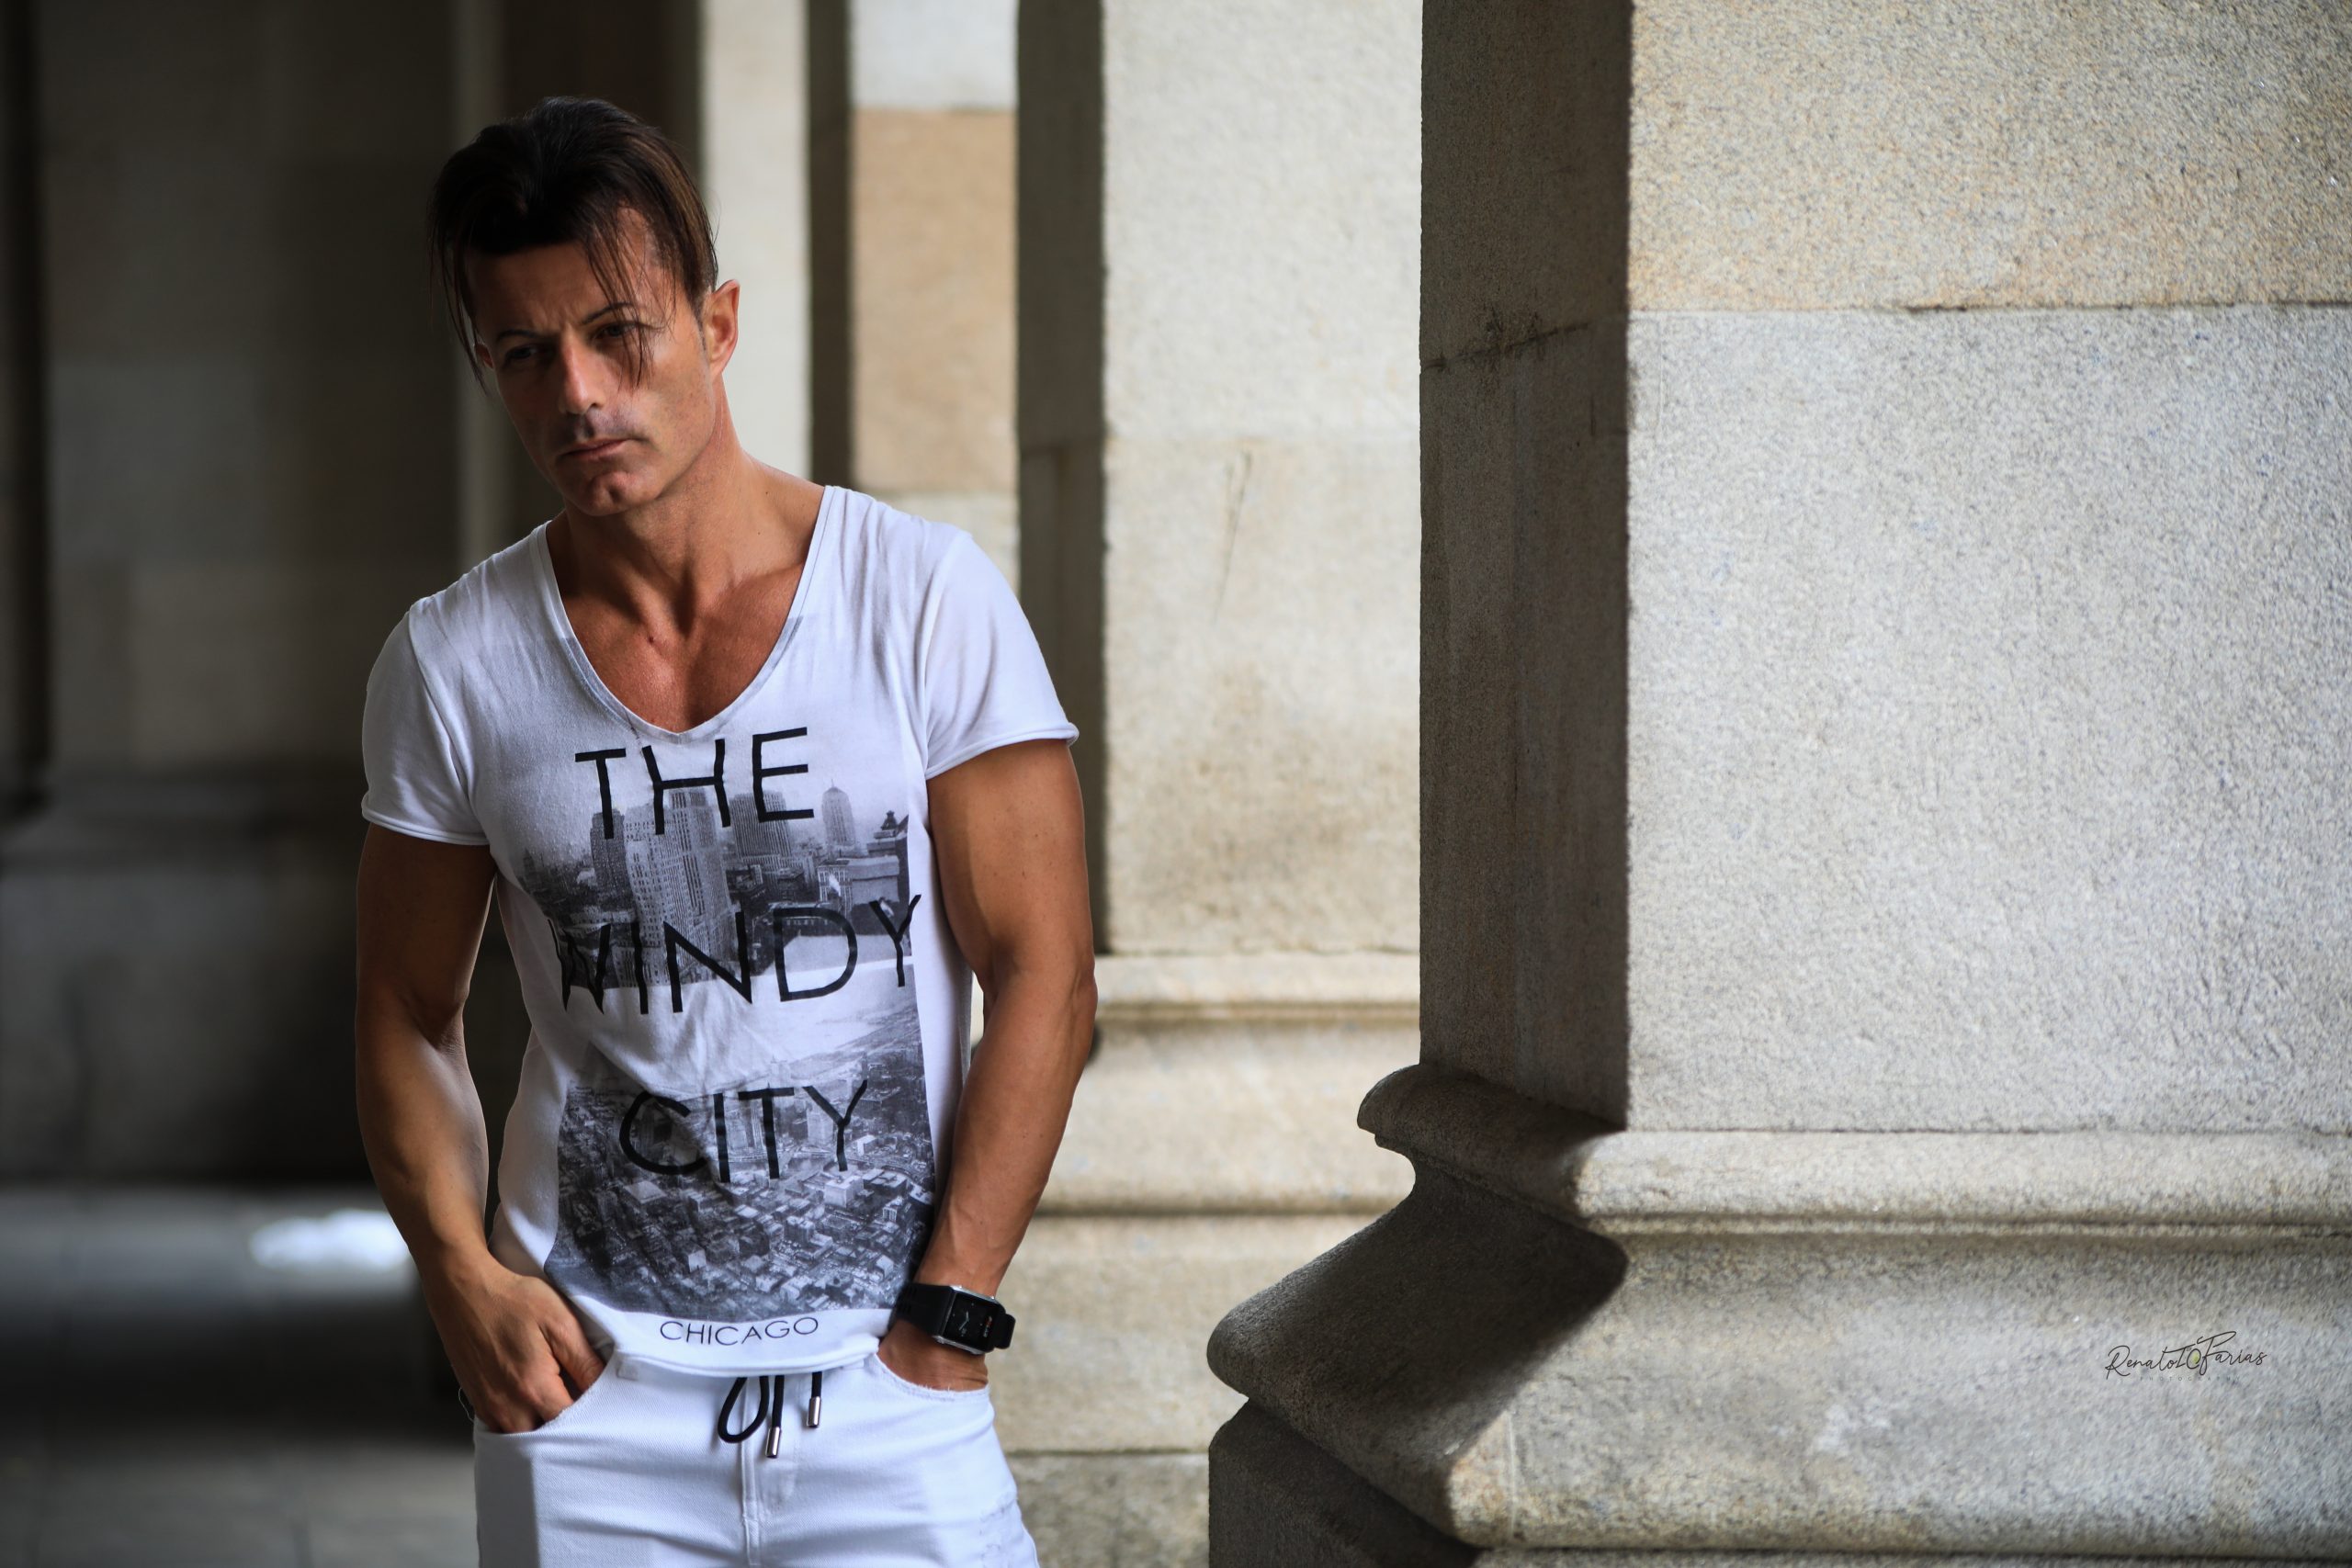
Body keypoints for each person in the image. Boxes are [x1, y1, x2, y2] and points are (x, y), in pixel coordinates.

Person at [353, 96, 1095, 1567]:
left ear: (719, 323)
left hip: (889, 1391)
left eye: (617, 334)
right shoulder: (453, 661)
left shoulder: (920, 599)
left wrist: (948, 1317)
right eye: (524, 353)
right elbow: (403, 1009)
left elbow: (1047, 976)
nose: (578, 394)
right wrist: (459, 1276)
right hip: (589, 1407)